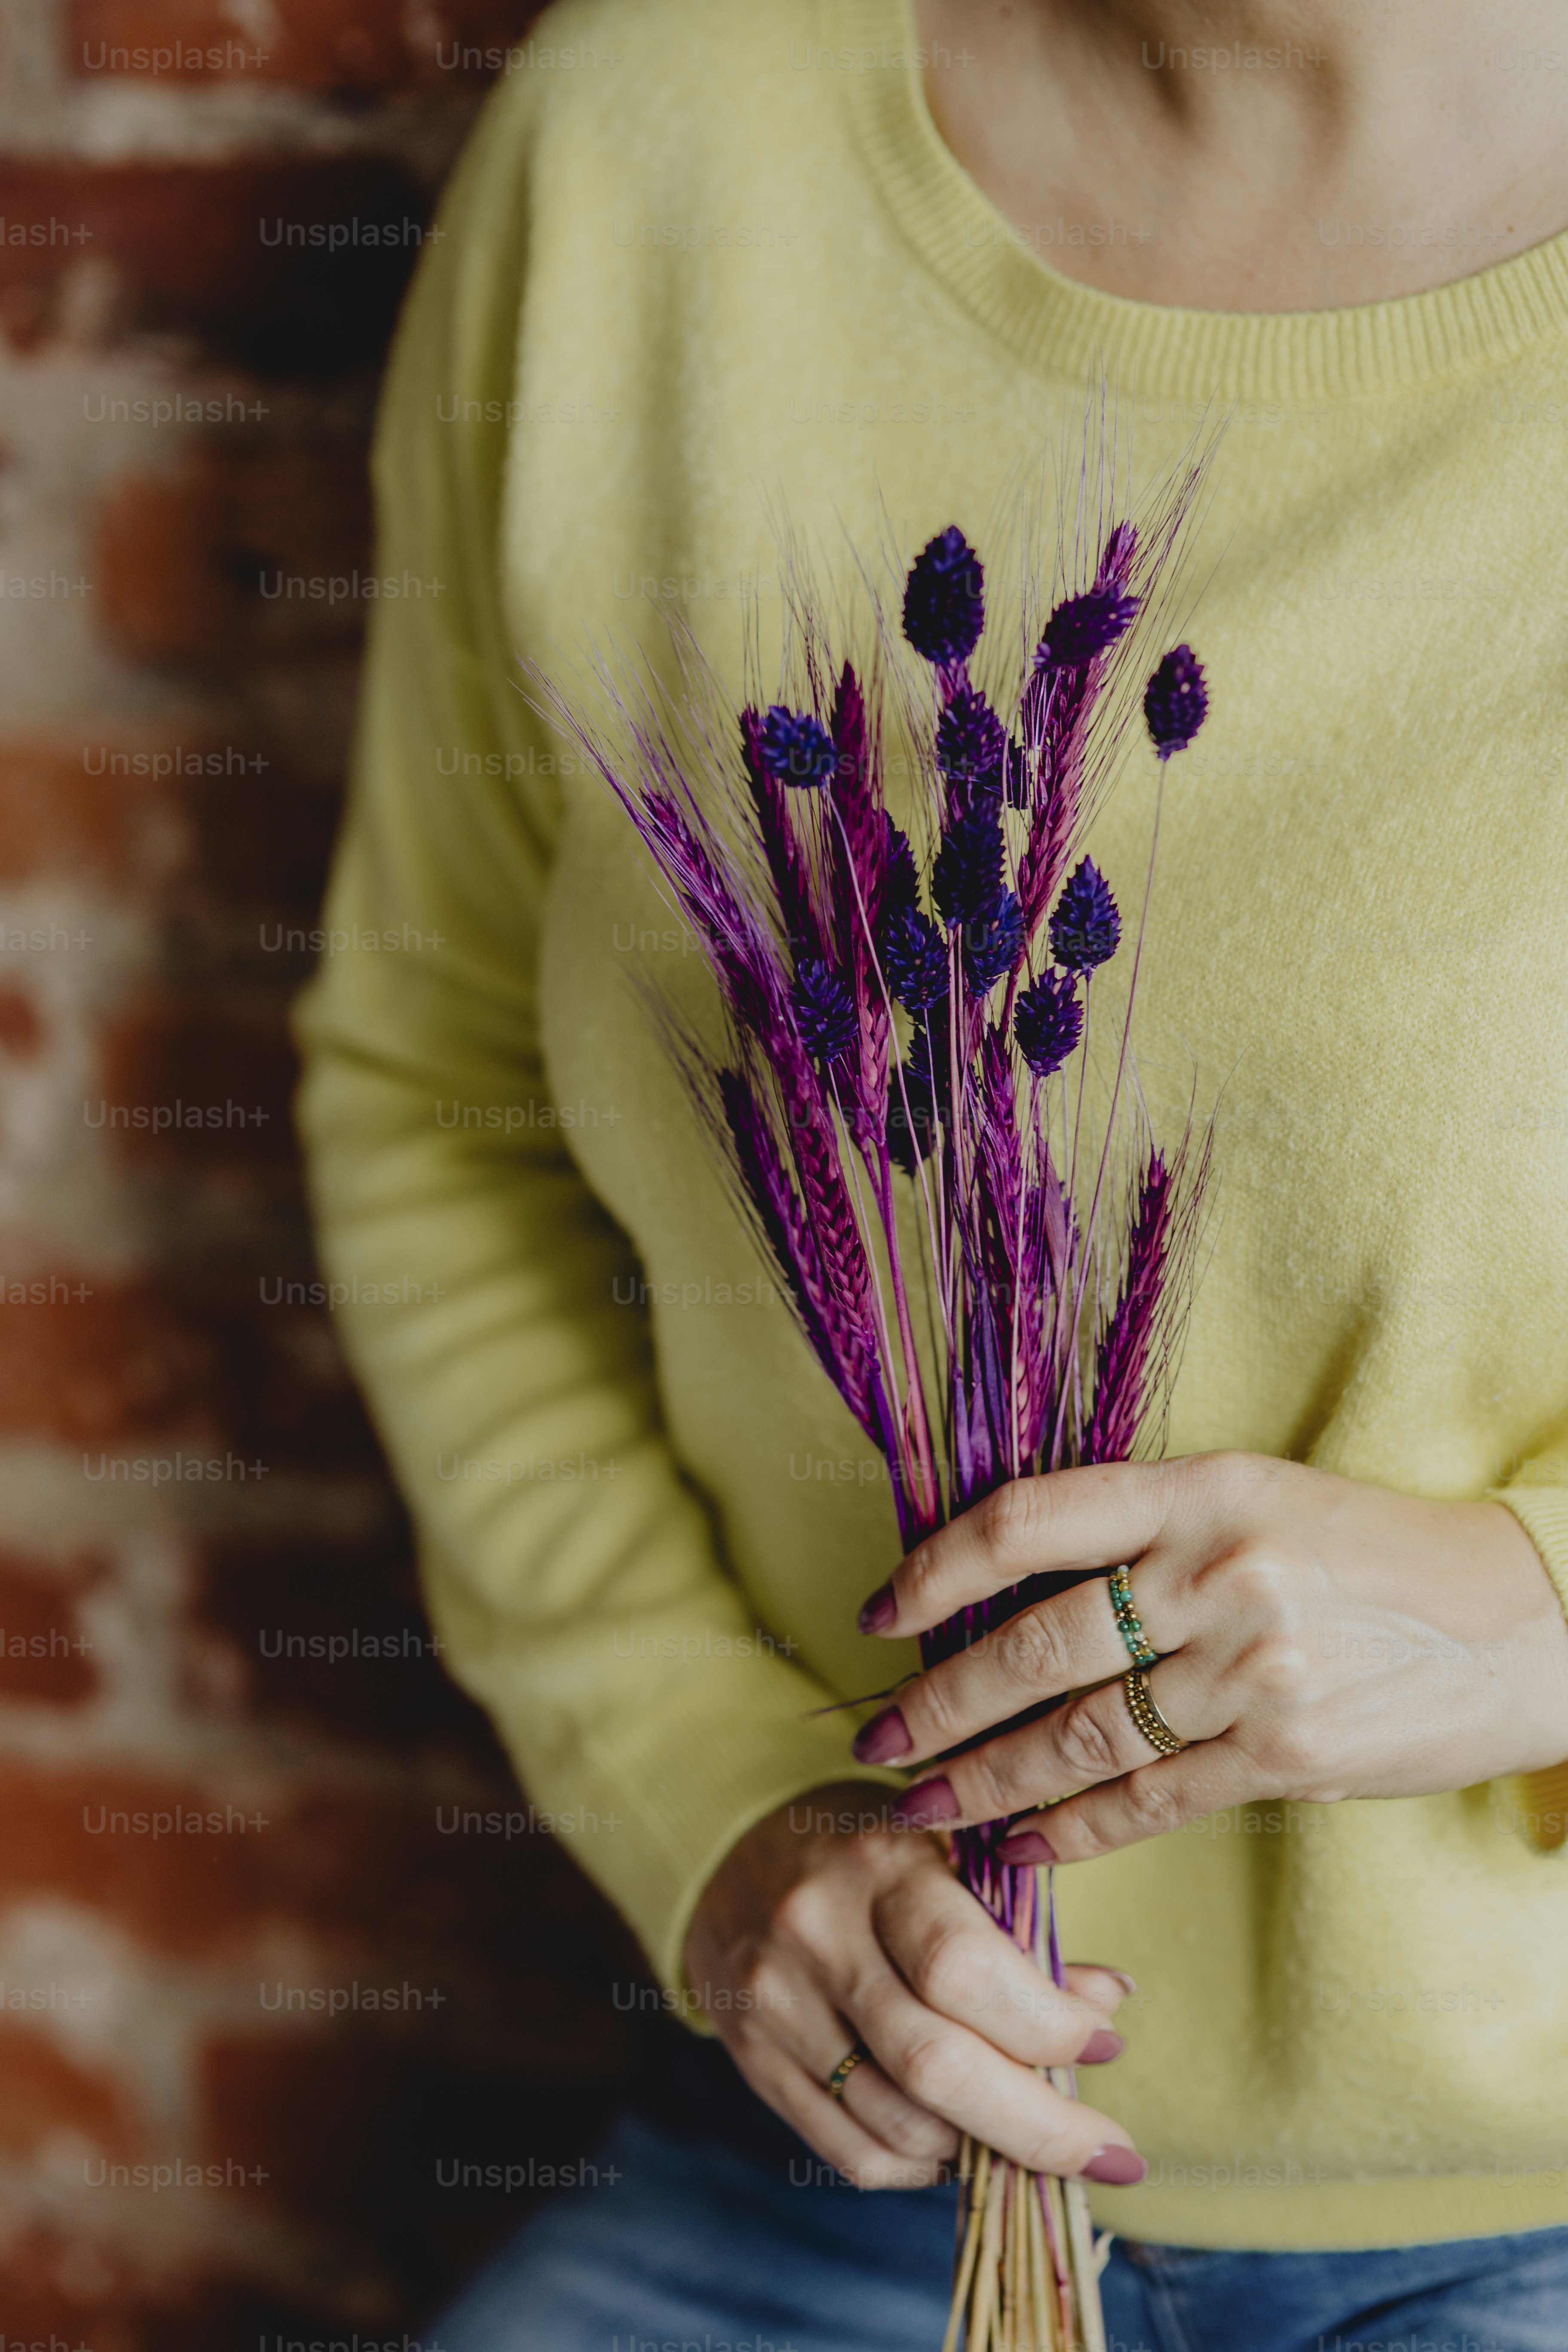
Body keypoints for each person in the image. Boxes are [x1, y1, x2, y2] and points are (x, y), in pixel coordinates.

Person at [295, 1, 1568, 2344]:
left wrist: (1536, 1612)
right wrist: (712, 1806)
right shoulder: (647, 151)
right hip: (820, 2164)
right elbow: (432, 1091)